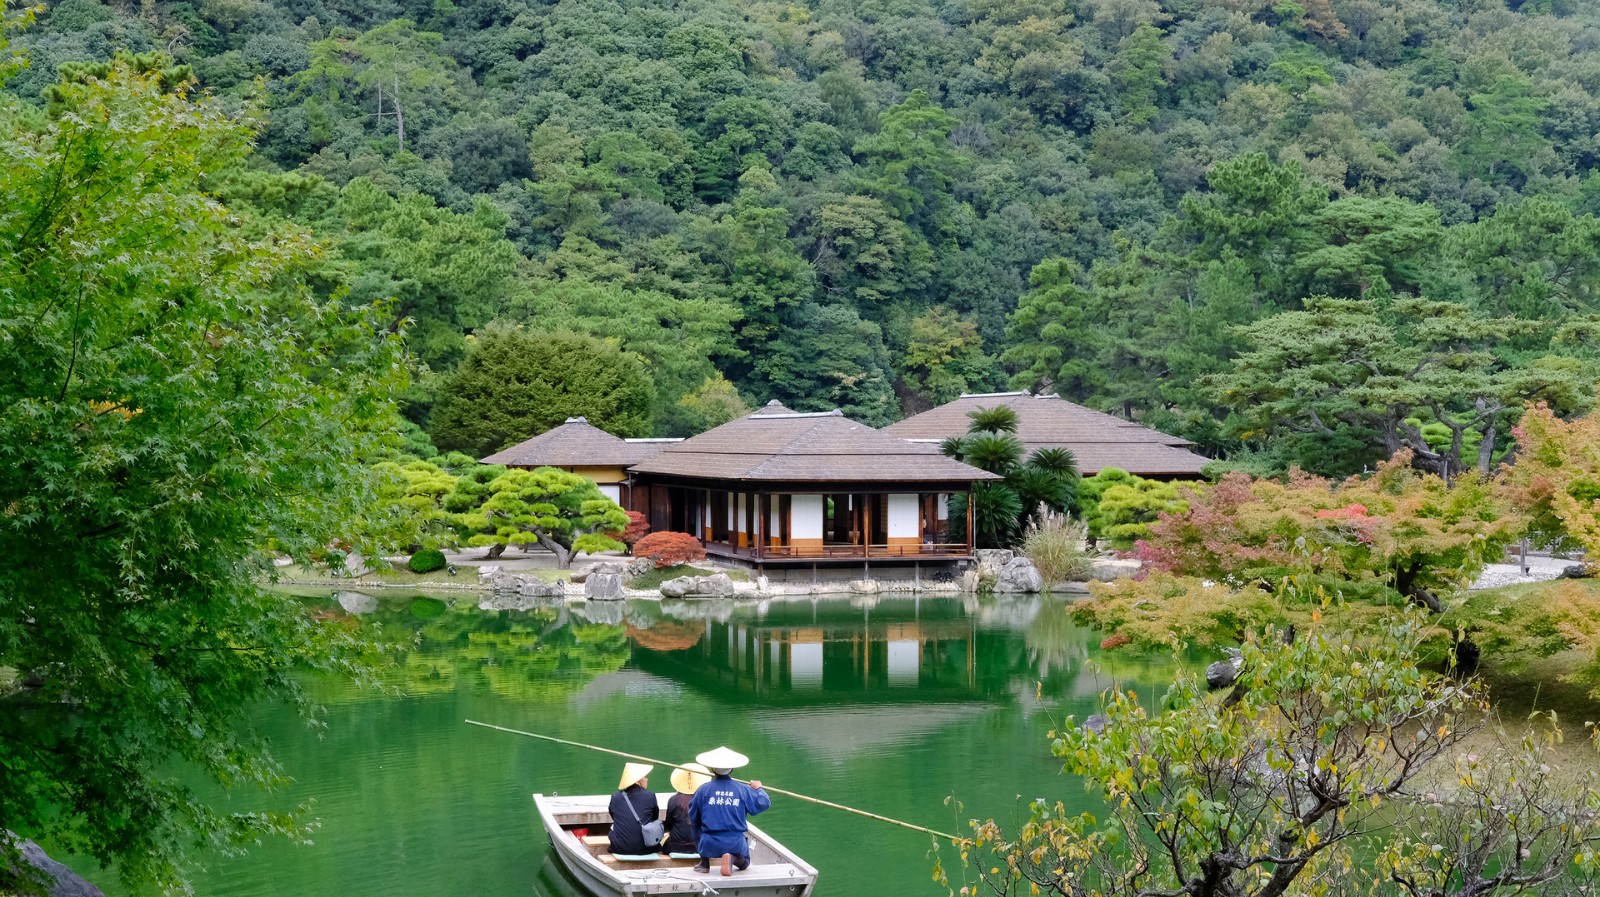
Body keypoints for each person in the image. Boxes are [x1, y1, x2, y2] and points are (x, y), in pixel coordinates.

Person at [687, 746, 770, 876]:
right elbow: (764, 803)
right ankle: (733, 858)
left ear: (713, 769)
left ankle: (704, 863)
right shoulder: (743, 789)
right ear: (731, 769)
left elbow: (693, 815)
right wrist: (759, 788)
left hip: (709, 843)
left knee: (695, 825)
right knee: (746, 862)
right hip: (735, 843)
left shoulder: (703, 789)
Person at [607, 762, 660, 855]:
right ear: (637, 781)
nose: (647, 779)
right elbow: (654, 818)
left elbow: (613, 816)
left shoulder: (615, 797)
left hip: (620, 849)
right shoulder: (650, 796)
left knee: (612, 830)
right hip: (646, 849)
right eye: (644, 777)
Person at [662, 762, 711, 856]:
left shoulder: (673, 800)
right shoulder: (705, 799)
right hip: (700, 846)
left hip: (676, 846)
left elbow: (669, 824)